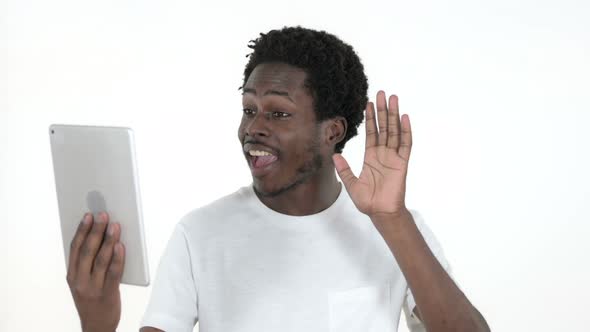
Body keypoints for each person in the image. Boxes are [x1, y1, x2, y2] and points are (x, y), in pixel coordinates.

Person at [66, 26, 490, 332]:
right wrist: (97, 323)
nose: (254, 127)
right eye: (249, 109)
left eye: (279, 113)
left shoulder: (395, 231)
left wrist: (392, 220)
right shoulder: (200, 233)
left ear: (332, 131)